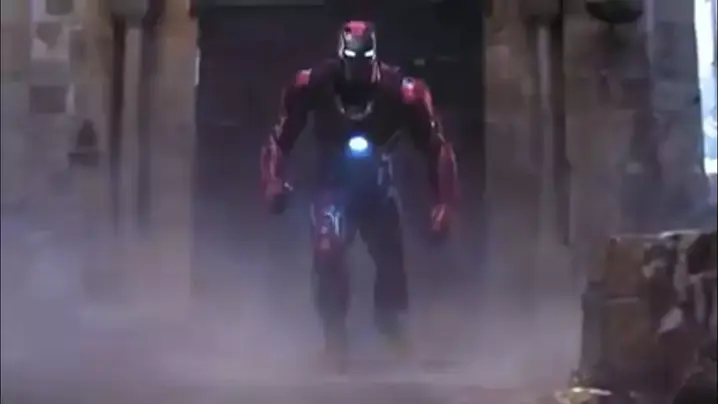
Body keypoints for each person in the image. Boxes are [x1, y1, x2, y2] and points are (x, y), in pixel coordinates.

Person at [260, 20, 458, 370]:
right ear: (341, 58)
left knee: (390, 258)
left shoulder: (403, 92)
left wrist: (444, 202)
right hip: (332, 183)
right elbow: (280, 139)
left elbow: (437, 147)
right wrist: (272, 181)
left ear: (374, 59)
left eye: (364, 63)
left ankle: (391, 324)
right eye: (351, 62)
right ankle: (335, 339)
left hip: (378, 183)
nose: (357, 71)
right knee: (327, 251)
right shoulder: (313, 83)